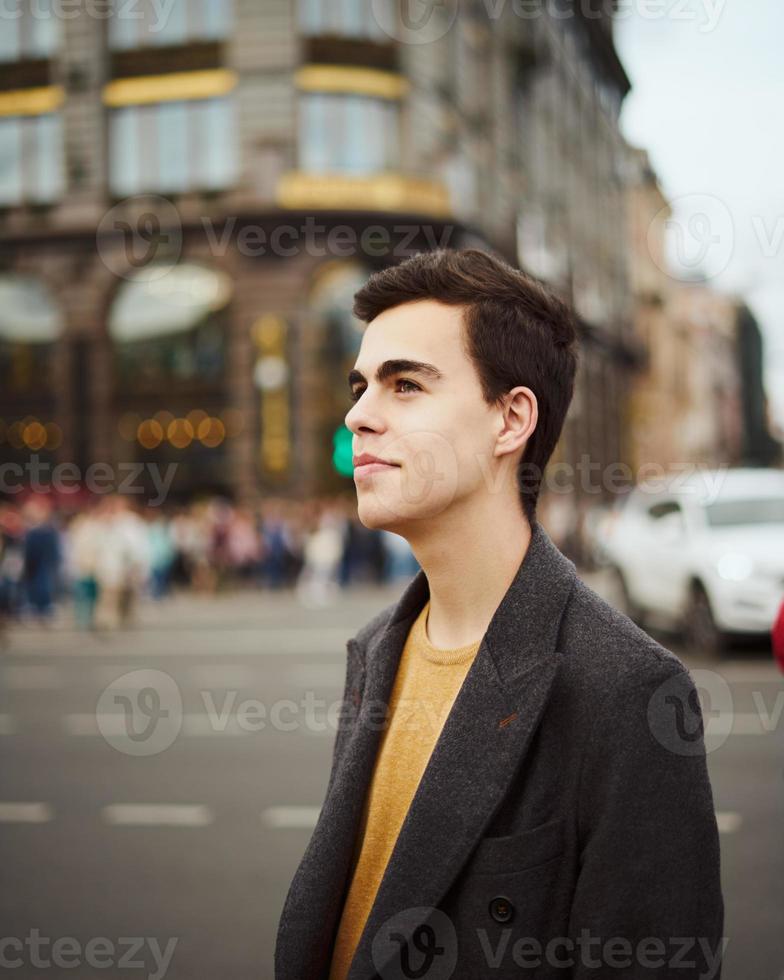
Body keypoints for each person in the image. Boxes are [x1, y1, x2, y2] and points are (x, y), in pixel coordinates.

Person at [275, 249, 724, 979]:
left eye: (406, 385)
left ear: (510, 419)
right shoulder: (373, 651)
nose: (359, 415)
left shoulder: (628, 690)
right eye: (360, 387)